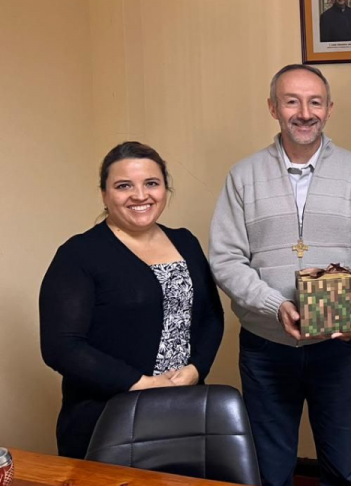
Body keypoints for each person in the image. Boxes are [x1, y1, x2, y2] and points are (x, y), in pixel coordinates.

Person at [209, 64, 351, 486]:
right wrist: (277, 306)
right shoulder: (243, 176)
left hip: (339, 346)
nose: (304, 112)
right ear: (273, 108)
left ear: (329, 108)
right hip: (266, 346)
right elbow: (227, 259)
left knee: (344, 470)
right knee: (270, 473)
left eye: (314, 102)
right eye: (292, 101)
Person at [39, 142, 225, 459]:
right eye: (124, 186)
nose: (140, 195)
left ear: (165, 188)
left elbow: (210, 317)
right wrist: (140, 383)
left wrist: (196, 369)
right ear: (104, 193)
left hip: (183, 410)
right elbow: (62, 347)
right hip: (108, 417)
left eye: (151, 183)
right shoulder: (79, 254)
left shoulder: (185, 241)